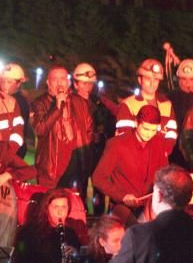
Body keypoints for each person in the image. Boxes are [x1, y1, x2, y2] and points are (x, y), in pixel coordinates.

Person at [91, 104, 170, 223]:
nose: (149, 134)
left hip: (150, 206)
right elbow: (98, 178)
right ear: (136, 123)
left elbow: (165, 174)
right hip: (124, 206)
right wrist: (122, 196)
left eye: (153, 130)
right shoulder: (117, 144)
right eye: (145, 129)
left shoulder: (158, 143)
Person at [30, 66, 93, 194]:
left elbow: (88, 131)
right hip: (51, 169)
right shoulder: (40, 103)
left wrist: (85, 162)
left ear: (68, 81)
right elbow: (40, 129)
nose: (59, 83)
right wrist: (57, 108)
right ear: (48, 82)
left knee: (73, 207)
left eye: (63, 79)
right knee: (48, 205)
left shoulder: (80, 102)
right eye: (54, 79)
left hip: (75, 167)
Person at [72, 62, 116, 214]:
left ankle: (98, 216)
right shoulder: (69, 102)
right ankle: (79, 214)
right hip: (78, 152)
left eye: (90, 83)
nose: (87, 87)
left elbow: (113, 119)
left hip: (98, 151)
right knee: (79, 188)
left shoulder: (99, 103)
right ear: (75, 84)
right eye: (84, 83)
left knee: (99, 186)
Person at [115, 58, 178, 150]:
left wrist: (165, 151)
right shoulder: (128, 105)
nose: (152, 83)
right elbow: (124, 136)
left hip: (160, 158)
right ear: (140, 80)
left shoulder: (167, 104)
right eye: (148, 79)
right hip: (136, 159)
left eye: (156, 79)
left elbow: (172, 132)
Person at [3, 63, 32, 158]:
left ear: (19, 83)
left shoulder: (17, 101)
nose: (4, 85)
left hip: (14, 150)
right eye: (3, 81)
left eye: (9, 82)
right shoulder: (7, 98)